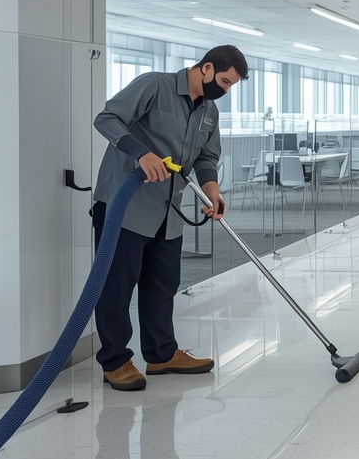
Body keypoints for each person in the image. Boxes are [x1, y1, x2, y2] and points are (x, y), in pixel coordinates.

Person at [91, 45, 247, 390]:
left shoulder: (209, 112)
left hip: (167, 212)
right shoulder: (155, 86)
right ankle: (115, 361)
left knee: (162, 285)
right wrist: (141, 154)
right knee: (117, 286)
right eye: (224, 81)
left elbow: (207, 156)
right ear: (206, 68)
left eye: (231, 86)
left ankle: (162, 354)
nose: (225, 90)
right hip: (125, 205)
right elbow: (107, 118)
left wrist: (212, 190)